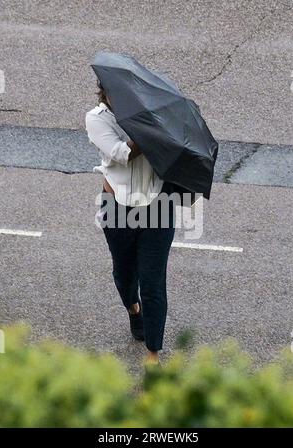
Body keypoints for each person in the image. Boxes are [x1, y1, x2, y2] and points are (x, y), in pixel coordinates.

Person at [85, 79, 176, 365]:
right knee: (125, 275)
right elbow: (122, 154)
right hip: (118, 208)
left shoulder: (151, 116)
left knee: (153, 281)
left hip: (156, 208)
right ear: (106, 93)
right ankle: (133, 309)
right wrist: (151, 132)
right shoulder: (96, 119)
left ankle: (153, 351)